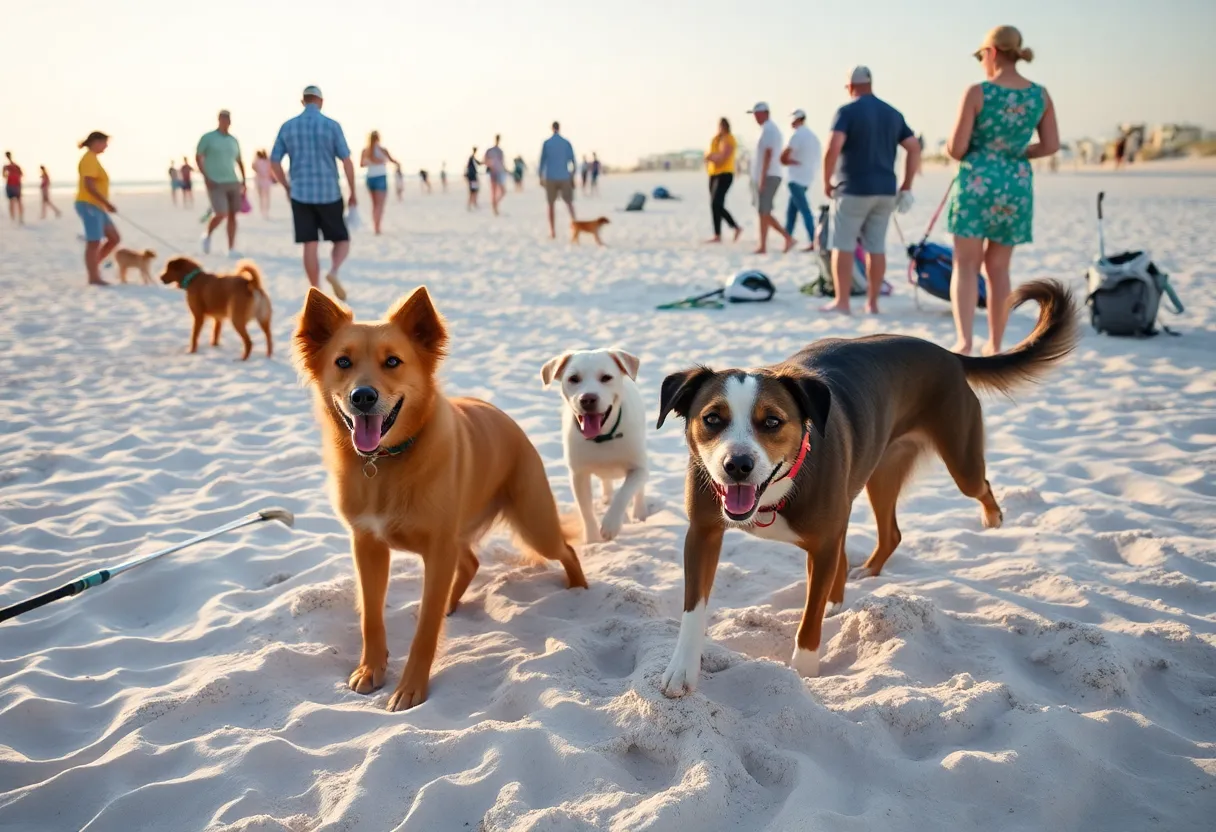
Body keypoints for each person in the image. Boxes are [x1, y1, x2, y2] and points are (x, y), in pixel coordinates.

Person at [946, 26, 1057, 356]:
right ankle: (995, 343)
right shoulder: (1040, 94)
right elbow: (1051, 145)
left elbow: (955, 148)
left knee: (965, 266)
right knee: (999, 269)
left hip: (977, 183)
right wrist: (1018, 152)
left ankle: (964, 341)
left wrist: (984, 151)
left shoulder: (977, 92)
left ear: (992, 52)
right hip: (1015, 184)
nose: (981, 61)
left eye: (981, 55)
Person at [821, 67, 921, 314]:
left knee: (842, 245)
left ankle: (842, 302)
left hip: (853, 189)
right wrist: (906, 185)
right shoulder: (892, 113)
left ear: (851, 87)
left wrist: (826, 180)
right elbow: (914, 148)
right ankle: (872, 302)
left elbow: (834, 147)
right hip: (886, 190)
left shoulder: (847, 112)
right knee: (876, 248)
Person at [270, 85, 357, 300]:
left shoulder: (288, 126)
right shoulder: (331, 126)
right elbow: (346, 160)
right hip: (329, 192)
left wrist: (286, 185)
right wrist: (353, 191)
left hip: (300, 193)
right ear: (321, 101)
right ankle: (334, 271)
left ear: (303, 102)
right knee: (342, 239)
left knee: (310, 243)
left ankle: (316, 290)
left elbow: (274, 161)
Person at [196, 109, 246, 255]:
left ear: (230, 121)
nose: (225, 121)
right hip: (215, 182)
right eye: (223, 118)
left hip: (233, 180)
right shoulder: (208, 138)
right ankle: (207, 235)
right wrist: (205, 177)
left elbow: (239, 160)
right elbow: (198, 157)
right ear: (218, 120)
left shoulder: (233, 140)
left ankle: (231, 248)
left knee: (233, 215)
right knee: (221, 212)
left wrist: (243, 181)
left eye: (227, 119)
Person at [74, 131, 119, 286]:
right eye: (105, 143)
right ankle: (93, 277)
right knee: (94, 242)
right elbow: (89, 186)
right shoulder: (88, 159)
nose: (106, 146)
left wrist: (104, 204)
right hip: (88, 204)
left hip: (97, 206)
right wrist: (106, 203)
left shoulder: (93, 159)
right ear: (96, 142)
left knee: (114, 238)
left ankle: (94, 268)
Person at [748, 102, 793, 255]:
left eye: (756, 114)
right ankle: (767, 243)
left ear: (764, 113)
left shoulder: (769, 130)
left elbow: (768, 154)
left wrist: (762, 177)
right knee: (763, 212)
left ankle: (782, 239)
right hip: (766, 174)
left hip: (769, 175)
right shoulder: (766, 129)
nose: (754, 117)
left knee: (764, 211)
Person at [782, 108, 822, 251]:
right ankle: (788, 239)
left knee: (805, 210)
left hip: (795, 178)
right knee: (791, 210)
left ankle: (814, 239)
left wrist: (791, 162)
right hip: (807, 178)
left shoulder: (797, 135)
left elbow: (783, 157)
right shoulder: (814, 137)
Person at [704, 117, 742, 243]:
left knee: (716, 203)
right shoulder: (716, 139)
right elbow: (709, 155)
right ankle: (717, 234)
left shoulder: (729, 138)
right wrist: (710, 158)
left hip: (725, 174)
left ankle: (735, 226)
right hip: (713, 174)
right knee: (715, 205)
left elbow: (722, 158)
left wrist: (711, 157)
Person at [539, 121, 577, 239]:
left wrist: (540, 176)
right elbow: (573, 162)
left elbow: (542, 162)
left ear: (552, 128)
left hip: (551, 177)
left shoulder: (547, 143)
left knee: (551, 204)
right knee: (569, 203)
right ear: (559, 128)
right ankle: (576, 227)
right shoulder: (566, 143)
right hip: (564, 176)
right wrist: (572, 175)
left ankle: (552, 231)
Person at [360, 130, 398, 235]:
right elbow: (391, 160)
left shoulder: (365, 151)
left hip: (370, 177)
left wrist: (371, 162)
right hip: (380, 177)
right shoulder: (382, 150)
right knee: (379, 205)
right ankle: (377, 227)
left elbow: (361, 164)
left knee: (374, 204)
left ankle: (376, 226)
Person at [484, 135, 507, 215]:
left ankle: (495, 205)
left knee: (502, 191)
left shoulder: (500, 151)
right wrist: (490, 165)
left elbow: (502, 163)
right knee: (494, 191)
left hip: (499, 172)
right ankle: (495, 208)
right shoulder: (490, 150)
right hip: (493, 173)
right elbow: (485, 161)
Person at [251, 149, 274, 218]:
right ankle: (265, 211)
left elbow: (253, 167)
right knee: (267, 197)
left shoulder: (257, 161)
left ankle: (262, 211)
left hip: (259, 180)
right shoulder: (268, 161)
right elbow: (271, 170)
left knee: (261, 197)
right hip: (266, 180)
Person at [3, 152, 24, 225]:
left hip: (12, 185)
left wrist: (10, 175)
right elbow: (21, 175)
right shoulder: (15, 166)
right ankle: (18, 218)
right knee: (17, 202)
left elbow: (4, 176)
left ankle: (14, 219)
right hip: (16, 185)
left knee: (13, 202)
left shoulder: (7, 166)